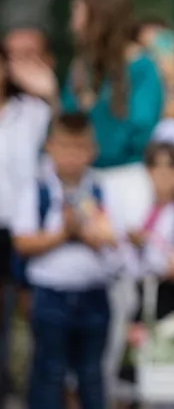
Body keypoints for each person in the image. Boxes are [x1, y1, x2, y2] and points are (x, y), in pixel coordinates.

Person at [12, 113, 134, 409]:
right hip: (50, 294)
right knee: (48, 371)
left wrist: (93, 236)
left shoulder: (103, 190)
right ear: (50, 147)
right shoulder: (37, 189)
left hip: (93, 294)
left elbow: (117, 241)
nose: (71, 156)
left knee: (92, 374)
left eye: (79, 148)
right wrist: (65, 233)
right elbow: (23, 242)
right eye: (64, 147)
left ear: (91, 150)